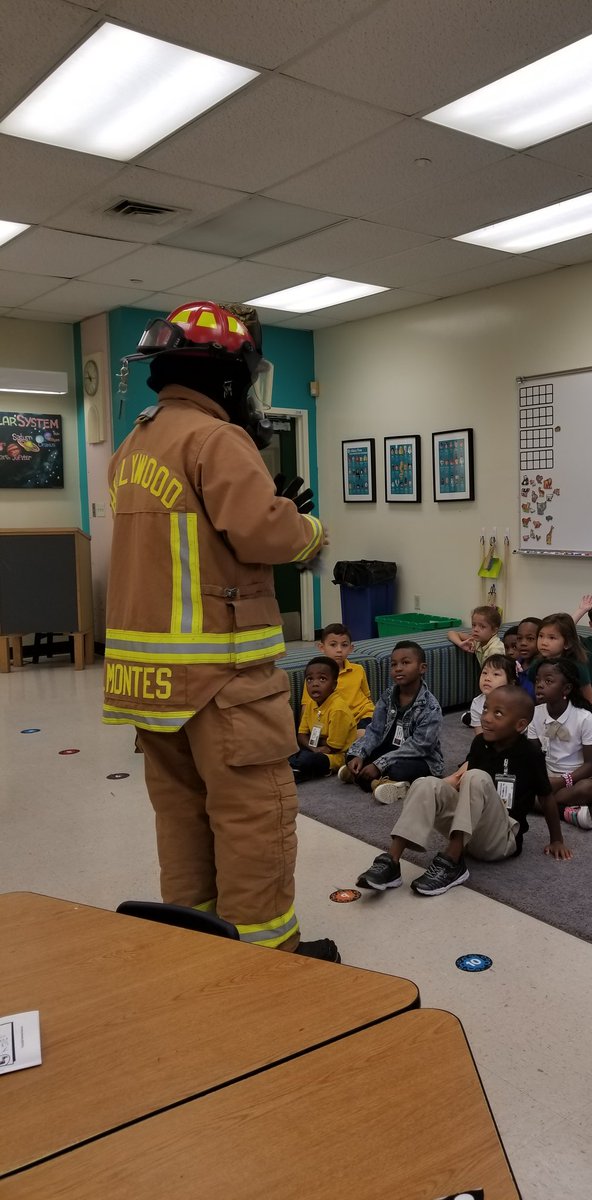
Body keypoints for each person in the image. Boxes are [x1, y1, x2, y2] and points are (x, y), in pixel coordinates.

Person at [103, 300, 337, 958]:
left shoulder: (136, 442)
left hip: (150, 685)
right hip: (222, 682)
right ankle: (268, 966)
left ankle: (198, 950)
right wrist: (305, 524)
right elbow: (265, 533)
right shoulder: (215, 438)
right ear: (227, 375)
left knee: (182, 821)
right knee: (252, 820)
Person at [355, 685, 570, 896]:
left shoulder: (530, 754)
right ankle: (391, 861)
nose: (486, 717)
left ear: (520, 724)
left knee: (475, 777)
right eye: (486, 709)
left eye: (498, 713)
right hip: (471, 831)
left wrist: (557, 839)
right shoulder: (479, 743)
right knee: (425, 783)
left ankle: (452, 862)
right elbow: (464, 790)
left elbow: (546, 796)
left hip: (502, 839)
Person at [340, 641, 443, 804]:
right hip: (388, 750)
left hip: (418, 758)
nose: (398, 668)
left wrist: (379, 764)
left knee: (397, 769)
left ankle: (369, 779)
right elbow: (374, 730)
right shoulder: (387, 696)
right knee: (352, 753)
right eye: (394, 664)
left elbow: (420, 746)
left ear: (422, 668)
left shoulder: (430, 707)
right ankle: (377, 781)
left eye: (406, 663)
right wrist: (360, 754)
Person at [528, 658, 592, 831]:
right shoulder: (535, 713)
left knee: (589, 789)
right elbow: (533, 755)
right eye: (537, 680)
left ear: (566, 688)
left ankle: (541, 802)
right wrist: (541, 779)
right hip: (547, 773)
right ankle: (565, 811)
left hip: (577, 777)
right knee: (514, 783)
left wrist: (561, 781)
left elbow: (590, 765)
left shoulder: (584, 718)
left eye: (548, 681)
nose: (539, 685)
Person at [290, 657, 356, 782]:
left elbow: (333, 746)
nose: (315, 684)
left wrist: (314, 746)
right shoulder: (311, 704)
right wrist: (314, 747)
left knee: (311, 760)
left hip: (336, 756)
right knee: (286, 751)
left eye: (322, 679)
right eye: (309, 679)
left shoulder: (338, 709)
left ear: (334, 685)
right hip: (314, 748)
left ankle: (299, 771)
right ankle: (297, 768)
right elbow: (301, 735)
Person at [303, 622, 374, 729]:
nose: (339, 650)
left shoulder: (358, 669)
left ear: (351, 648)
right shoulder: (314, 677)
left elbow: (368, 697)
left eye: (344, 645)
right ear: (322, 647)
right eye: (333, 645)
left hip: (363, 716)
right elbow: (306, 707)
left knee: (370, 732)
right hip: (335, 721)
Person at [526, 612, 592, 708]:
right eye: (541, 636)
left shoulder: (578, 666)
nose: (544, 642)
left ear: (567, 643)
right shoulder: (537, 663)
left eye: (552, 638)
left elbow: (590, 700)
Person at [462, 654, 516, 730]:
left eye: (496, 674)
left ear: (511, 683)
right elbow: (479, 736)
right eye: (484, 673)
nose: (487, 678)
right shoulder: (477, 703)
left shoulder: (515, 704)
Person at [514, 616, 541, 700]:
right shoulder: (513, 665)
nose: (523, 643)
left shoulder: (543, 668)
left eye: (530, 638)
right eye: (519, 638)